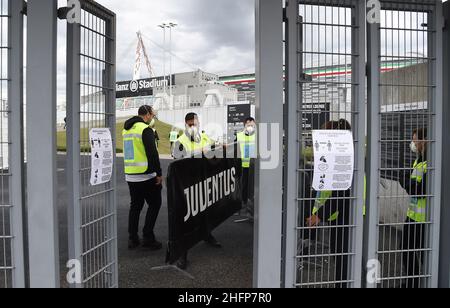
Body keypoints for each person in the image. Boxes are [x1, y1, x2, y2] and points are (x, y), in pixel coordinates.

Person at [172, 112, 222, 270]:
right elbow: (177, 162)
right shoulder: (180, 141)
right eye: (190, 124)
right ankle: (182, 254)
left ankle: (206, 234)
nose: (193, 126)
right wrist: (199, 152)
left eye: (195, 123)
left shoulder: (205, 137)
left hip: (204, 182)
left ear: (199, 123)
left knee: (205, 212)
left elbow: (215, 149)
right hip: (187, 187)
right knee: (186, 220)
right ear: (185, 124)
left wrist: (222, 146)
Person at [306, 119, 352, 288]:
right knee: (342, 256)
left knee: (344, 257)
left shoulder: (343, 158)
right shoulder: (342, 155)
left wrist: (319, 215)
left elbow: (341, 191)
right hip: (342, 215)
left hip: (347, 215)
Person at [123, 105, 163, 251]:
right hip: (146, 174)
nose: (152, 117)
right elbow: (153, 153)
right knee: (155, 204)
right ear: (146, 114)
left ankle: (133, 238)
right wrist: (158, 173)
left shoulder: (127, 129)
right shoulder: (145, 129)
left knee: (135, 207)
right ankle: (148, 237)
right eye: (152, 115)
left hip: (131, 174)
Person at [399, 128, 428, 288]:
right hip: (412, 217)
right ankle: (412, 283)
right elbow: (413, 185)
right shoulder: (418, 160)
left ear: (424, 141)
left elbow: (421, 190)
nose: (413, 143)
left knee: (425, 255)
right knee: (406, 249)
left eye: (416, 139)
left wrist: (405, 181)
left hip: (426, 221)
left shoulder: (431, 163)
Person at [236, 117, 257, 221]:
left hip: (254, 165)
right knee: (244, 186)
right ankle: (244, 206)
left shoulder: (257, 136)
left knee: (253, 186)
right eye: (248, 125)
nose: (250, 127)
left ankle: (251, 208)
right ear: (244, 126)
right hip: (243, 165)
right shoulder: (239, 136)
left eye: (252, 125)